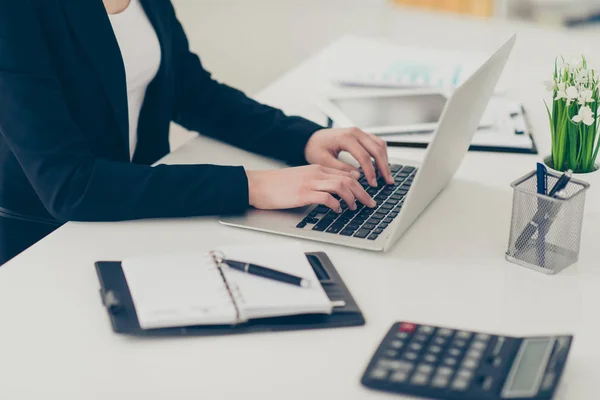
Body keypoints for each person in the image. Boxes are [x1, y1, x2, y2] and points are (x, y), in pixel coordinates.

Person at [0, 0, 393, 265]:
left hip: (141, 220)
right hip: (48, 245)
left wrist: (301, 138)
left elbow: (190, 92)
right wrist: (252, 186)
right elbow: (71, 187)